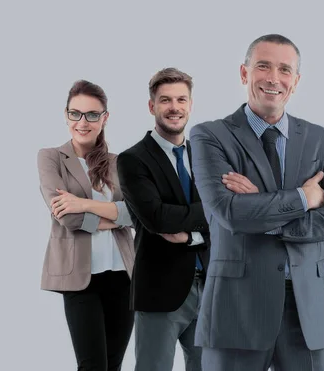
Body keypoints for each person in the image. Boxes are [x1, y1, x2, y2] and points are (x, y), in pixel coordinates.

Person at [188, 34, 324, 371]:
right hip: (236, 310)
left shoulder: (319, 138)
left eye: (284, 69)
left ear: (296, 81)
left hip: (307, 310)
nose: (273, 78)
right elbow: (232, 213)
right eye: (263, 66)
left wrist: (263, 211)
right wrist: (303, 198)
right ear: (244, 73)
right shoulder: (209, 136)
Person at [37, 79, 135, 371]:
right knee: (92, 366)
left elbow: (137, 215)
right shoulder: (51, 157)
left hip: (123, 276)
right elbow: (67, 218)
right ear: (66, 115)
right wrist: (115, 217)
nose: (83, 122)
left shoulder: (119, 162)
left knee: (113, 365)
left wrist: (85, 204)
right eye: (76, 113)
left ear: (104, 118)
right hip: (81, 279)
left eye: (93, 114)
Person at [116, 67, 210, 371]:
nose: (174, 108)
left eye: (181, 99)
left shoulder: (204, 156)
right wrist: (211, 209)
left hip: (209, 287)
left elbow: (229, 216)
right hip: (160, 291)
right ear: (151, 106)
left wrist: (190, 235)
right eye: (166, 100)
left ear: (190, 105)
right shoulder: (133, 159)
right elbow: (157, 219)